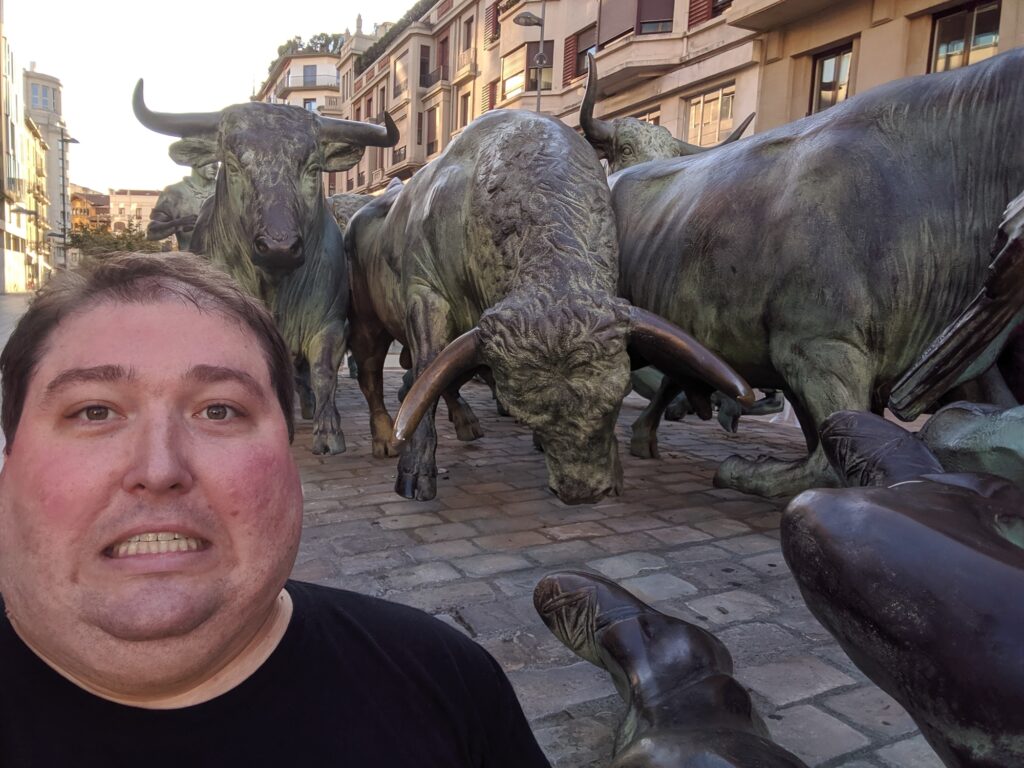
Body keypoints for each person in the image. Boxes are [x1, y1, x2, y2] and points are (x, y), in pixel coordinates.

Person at [0, 252, 550, 767]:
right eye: (94, 411)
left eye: (219, 410)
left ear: (289, 457)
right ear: (9, 460)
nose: (160, 468)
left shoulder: (447, 680)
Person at [146, 161, 218, 250]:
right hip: (191, 257)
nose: (215, 166)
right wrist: (178, 224)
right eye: (209, 160)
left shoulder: (228, 190)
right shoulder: (174, 192)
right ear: (194, 160)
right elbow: (151, 232)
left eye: (217, 161)